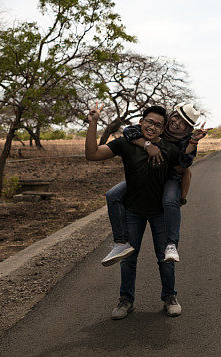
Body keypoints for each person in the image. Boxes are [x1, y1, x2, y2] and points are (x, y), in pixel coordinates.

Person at [85, 104, 184, 319]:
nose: (152, 126)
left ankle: (170, 297)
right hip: (133, 210)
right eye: (149, 121)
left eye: (158, 124)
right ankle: (126, 300)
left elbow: (184, 172)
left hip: (160, 212)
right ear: (141, 122)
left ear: (163, 128)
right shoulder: (126, 143)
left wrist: (180, 198)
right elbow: (92, 154)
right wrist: (93, 123)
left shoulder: (170, 149)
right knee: (128, 257)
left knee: (164, 258)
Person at [101, 103, 206, 267]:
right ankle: (120, 243)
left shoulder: (186, 142)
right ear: (170, 116)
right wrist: (147, 144)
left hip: (169, 179)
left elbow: (185, 169)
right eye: (177, 117)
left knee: (170, 200)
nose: (177, 123)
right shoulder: (158, 127)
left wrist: (183, 196)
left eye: (184, 123)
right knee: (113, 194)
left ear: (187, 130)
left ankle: (171, 244)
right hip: (144, 179)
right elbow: (129, 131)